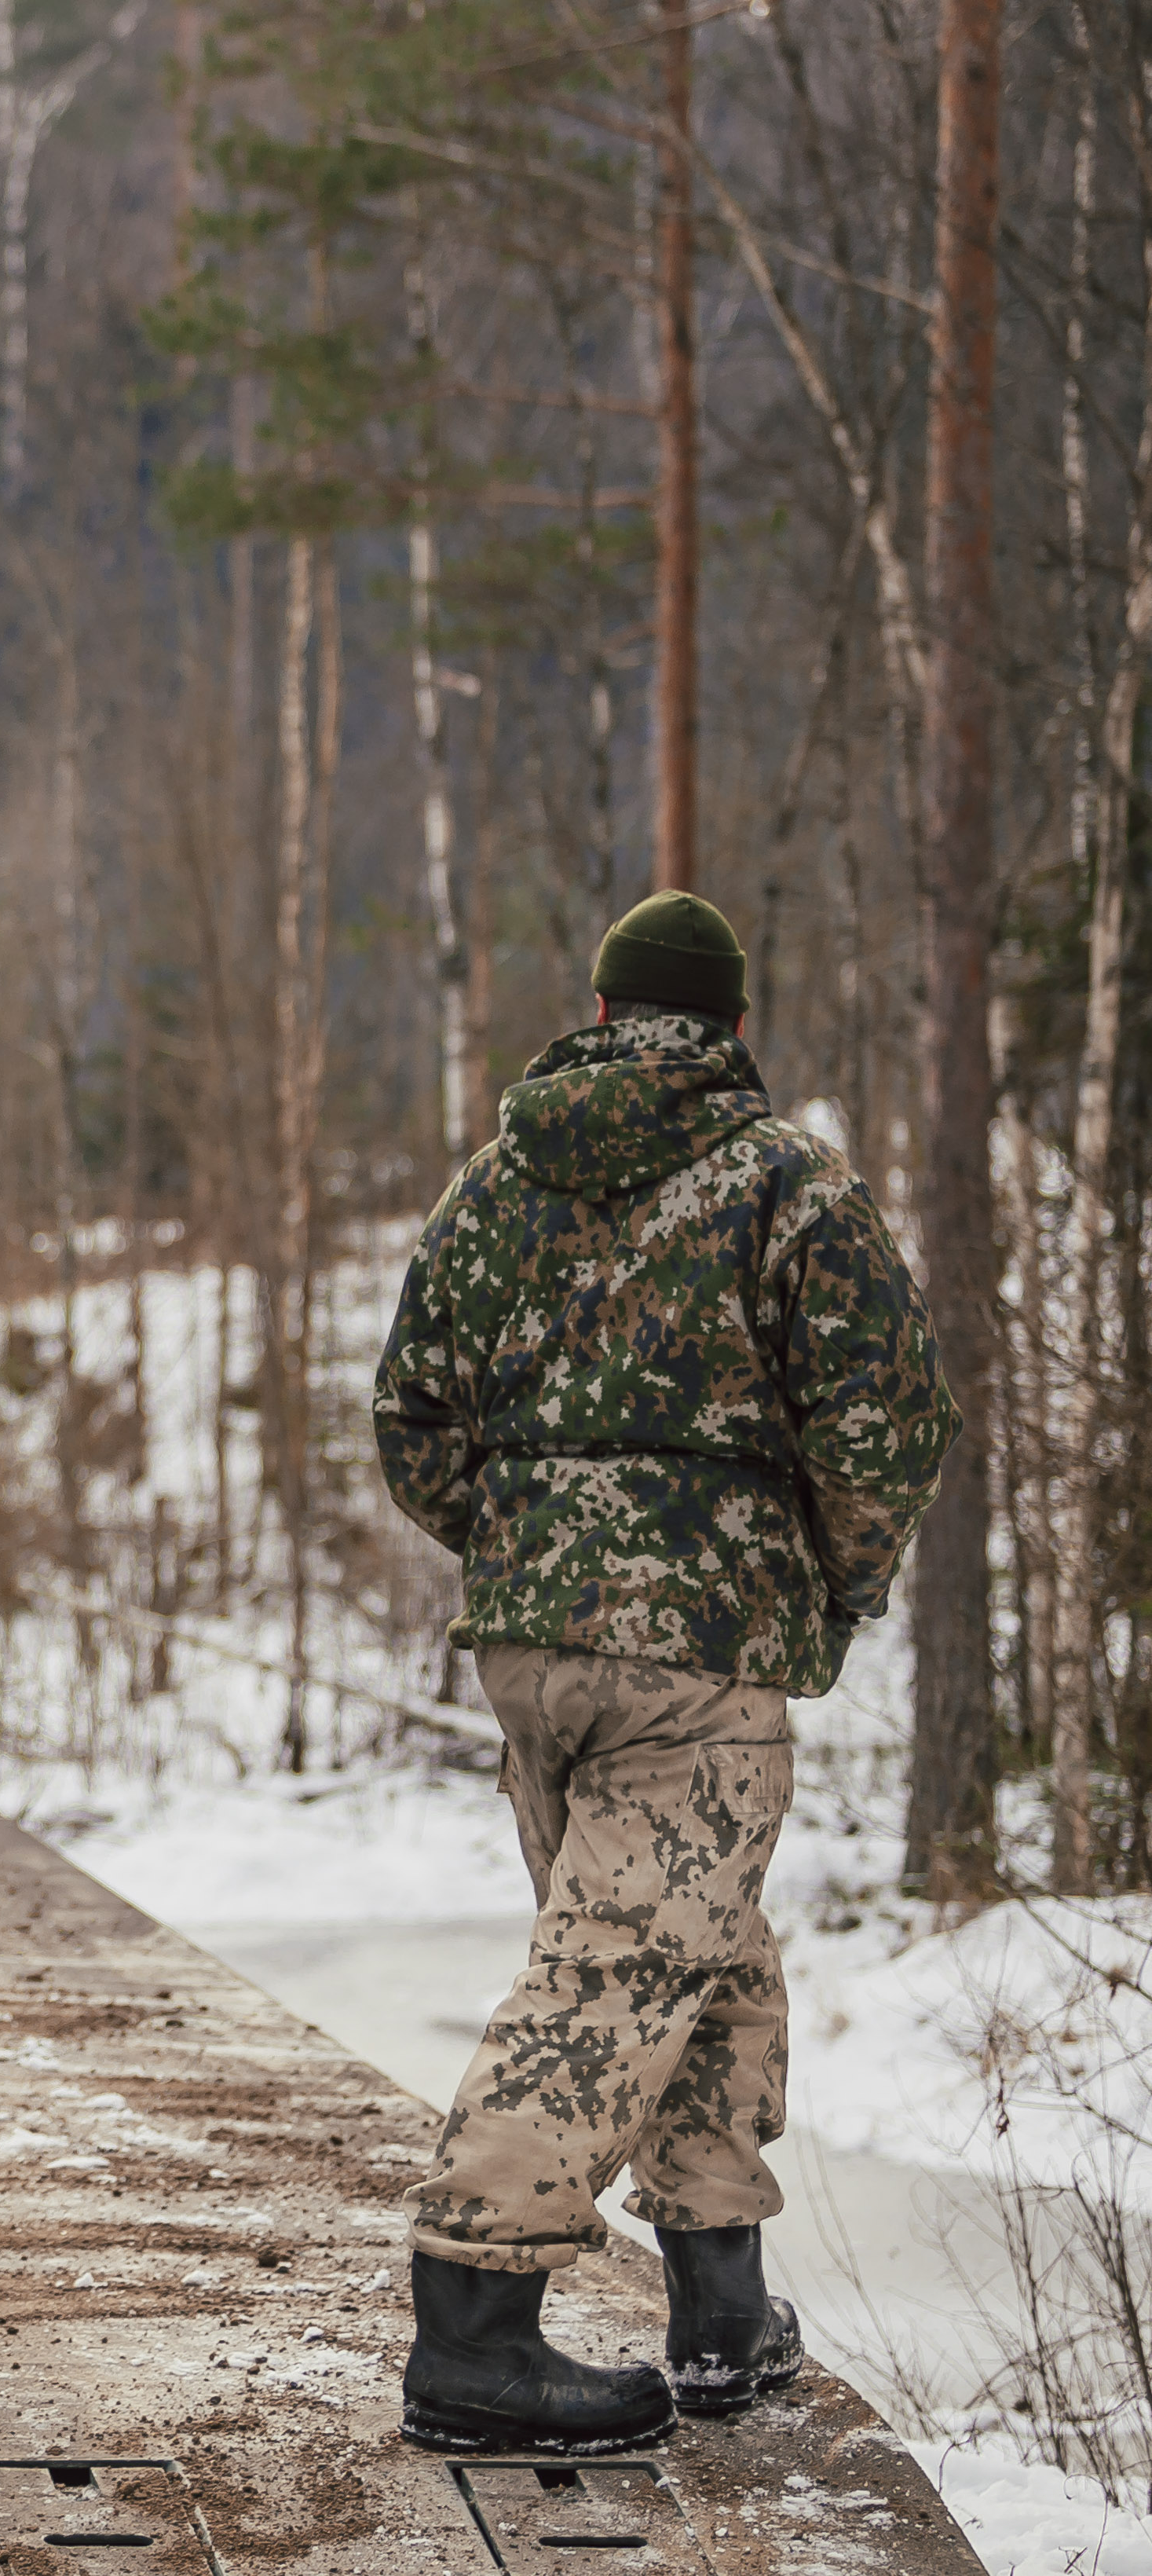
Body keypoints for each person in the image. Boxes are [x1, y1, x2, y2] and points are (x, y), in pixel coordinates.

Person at [373, 890, 957, 2453]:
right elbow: (886, 1422)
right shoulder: (785, 1187)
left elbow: (408, 1417)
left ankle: (716, 2312)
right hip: (695, 1652)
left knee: (693, 1951)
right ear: (732, 1023)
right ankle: (469, 2318)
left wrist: (521, 1548)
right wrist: (826, 1581)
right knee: (611, 1971)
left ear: (599, 1005)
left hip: (526, 1651)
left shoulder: (493, 1181)